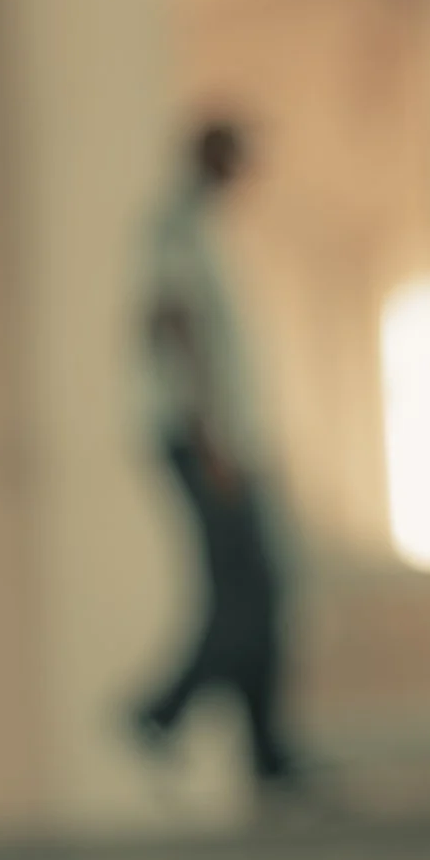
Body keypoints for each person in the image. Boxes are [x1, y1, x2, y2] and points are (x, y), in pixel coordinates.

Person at [130, 116, 306, 794]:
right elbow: (172, 325)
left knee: (257, 592)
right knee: (250, 589)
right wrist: (209, 437)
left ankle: (259, 749)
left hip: (229, 440)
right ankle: (164, 712)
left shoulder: (207, 229)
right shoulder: (177, 228)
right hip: (206, 441)